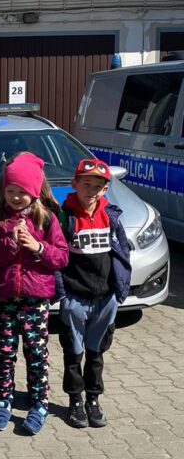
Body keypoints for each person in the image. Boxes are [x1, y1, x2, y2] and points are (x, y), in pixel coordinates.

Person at [0, 154, 69, 435]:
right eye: (10, 191)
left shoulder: (46, 219)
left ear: (34, 192)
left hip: (36, 301)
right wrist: (10, 243)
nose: (16, 197)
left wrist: (37, 247)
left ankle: (39, 403)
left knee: (36, 354)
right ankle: (3, 400)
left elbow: (62, 257)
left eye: (22, 192)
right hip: (6, 299)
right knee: (5, 352)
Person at [56, 158, 131, 429]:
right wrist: (62, 294)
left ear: (105, 189)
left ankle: (93, 399)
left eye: (98, 186)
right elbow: (56, 257)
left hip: (105, 298)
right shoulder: (64, 216)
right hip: (75, 298)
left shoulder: (110, 216)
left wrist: (120, 288)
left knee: (96, 352)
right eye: (86, 184)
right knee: (73, 353)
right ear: (74, 184)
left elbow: (122, 252)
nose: (91, 190)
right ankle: (75, 400)